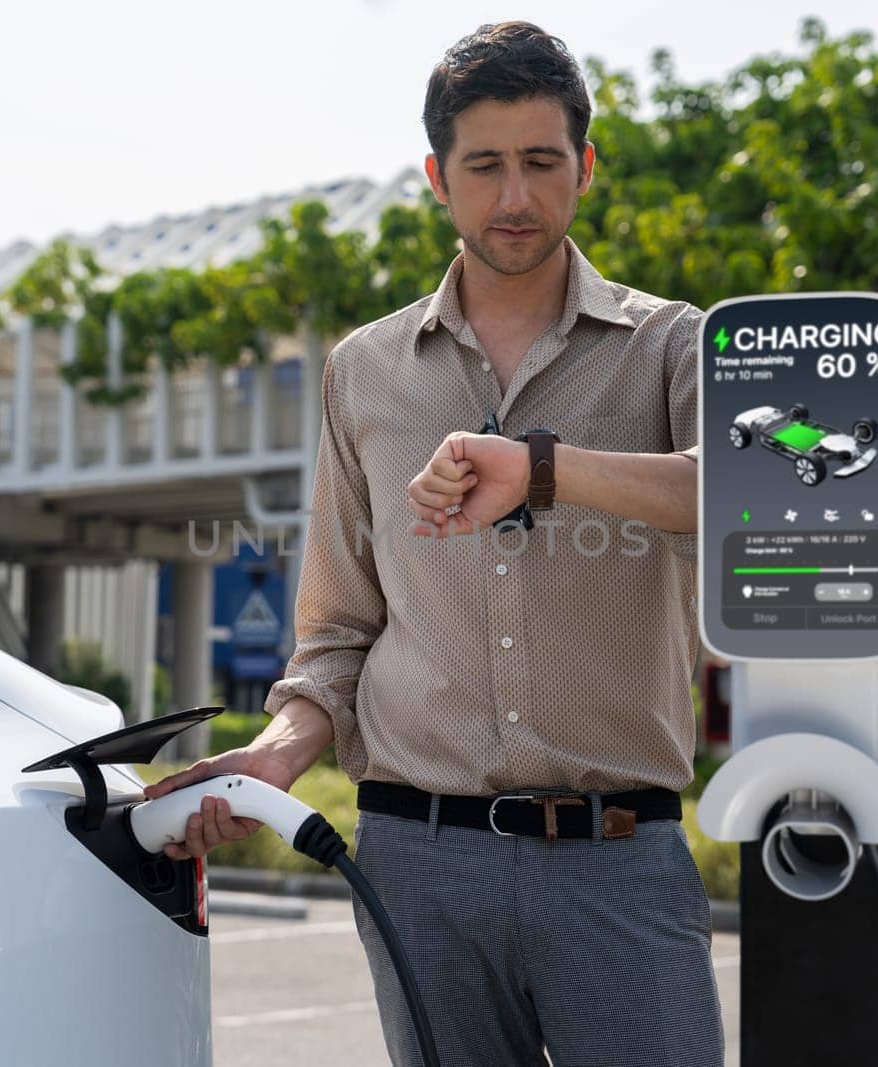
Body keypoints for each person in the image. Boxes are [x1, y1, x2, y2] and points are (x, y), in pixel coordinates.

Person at [145, 20, 723, 1066]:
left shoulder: (672, 343)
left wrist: (541, 466)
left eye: (542, 163)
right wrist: (277, 753)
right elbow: (335, 621)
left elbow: (745, 491)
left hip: (616, 856)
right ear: (435, 176)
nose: (515, 198)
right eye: (485, 166)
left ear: (585, 168)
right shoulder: (364, 371)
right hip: (418, 859)